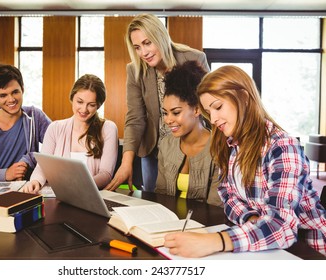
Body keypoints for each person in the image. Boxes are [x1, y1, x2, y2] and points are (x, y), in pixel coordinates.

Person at [164, 65, 326, 257]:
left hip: (306, 253)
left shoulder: (282, 147)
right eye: (209, 111)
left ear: (244, 98)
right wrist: (252, 219)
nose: (213, 119)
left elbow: (281, 226)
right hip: (265, 247)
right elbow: (227, 195)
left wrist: (216, 240)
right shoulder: (230, 145)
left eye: (218, 107)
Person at [105, 13, 210, 192]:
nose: (143, 53)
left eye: (147, 43)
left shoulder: (193, 58)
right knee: (155, 200)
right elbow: (135, 117)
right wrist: (126, 163)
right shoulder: (135, 70)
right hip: (154, 150)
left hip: (191, 145)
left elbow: (208, 105)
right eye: (137, 47)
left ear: (160, 37)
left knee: (192, 195)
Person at [21, 74, 118, 194]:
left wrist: (80, 186)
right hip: (59, 197)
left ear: (98, 105)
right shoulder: (55, 128)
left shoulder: (108, 128)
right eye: (80, 102)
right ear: (72, 98)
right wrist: (35, 181)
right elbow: (43, 166)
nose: (84, 109)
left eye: (91, 105)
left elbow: (106, 174)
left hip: (91, 196)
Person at [155, 61, 221, 207]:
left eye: (176, 112)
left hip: (204, 226)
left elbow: (215, 206)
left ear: (197, 110)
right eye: (165, 113)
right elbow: (160, 195)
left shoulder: (218, 148)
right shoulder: (166, 144)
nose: (168, 120)